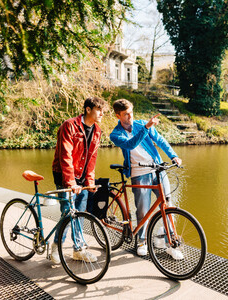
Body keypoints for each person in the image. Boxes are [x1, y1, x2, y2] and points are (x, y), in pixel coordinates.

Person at [110, 98, 183, 259]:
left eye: (131, 112)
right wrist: (146, 127)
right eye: (126, 114)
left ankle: (169, 243)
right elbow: (130, 144)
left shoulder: (140, 124)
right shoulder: (115, 134)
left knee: (167, 205)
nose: (130, 117)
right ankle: (141, 241)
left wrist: (173, 156)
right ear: (118, 116)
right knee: (143, 210)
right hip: (138, 173)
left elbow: (160, 141)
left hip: (157, 169)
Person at [50, 96, 107, 264]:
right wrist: (70, 182)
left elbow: (92, 157)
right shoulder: (69, 125)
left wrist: (89, 180)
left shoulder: (97, 130)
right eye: (99, 110)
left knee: (80, 213)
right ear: (88, 109)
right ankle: (56, 246)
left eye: (103, 111)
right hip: (64, 174)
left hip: (82, 177)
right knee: (68, 213)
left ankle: (78, 250)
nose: (102, 113)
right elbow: (65, 156)